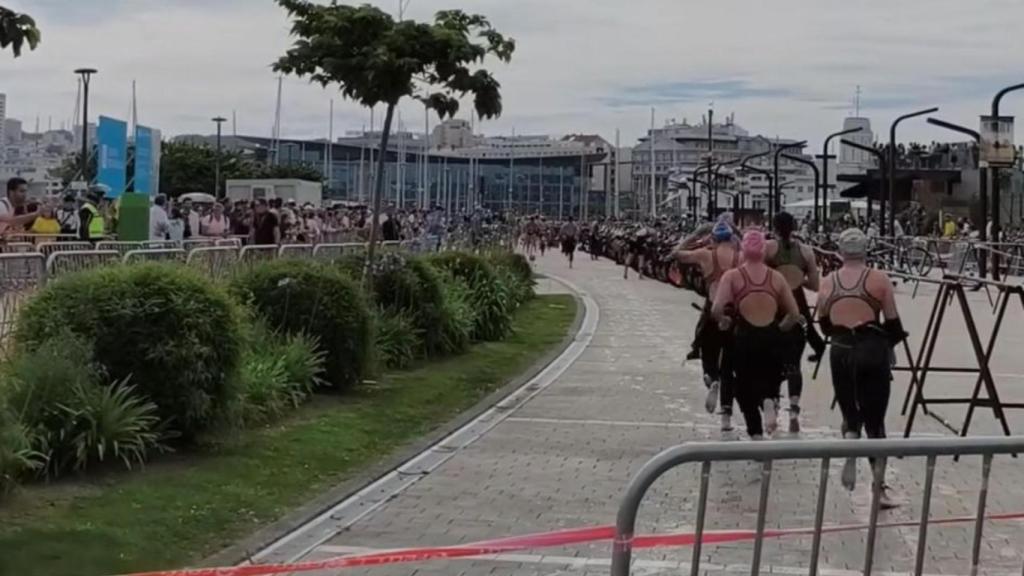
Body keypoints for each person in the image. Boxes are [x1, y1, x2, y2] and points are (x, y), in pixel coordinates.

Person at [817, 228, 905, 507]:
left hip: (841, 350)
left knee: (849, 411)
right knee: (875, 422)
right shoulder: (878, 280)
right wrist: (889, 346)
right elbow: (892, 323)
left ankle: (850, 446)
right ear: (866, 250)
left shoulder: (828, 282)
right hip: (871, 348)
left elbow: (824, 324)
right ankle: (878, 489)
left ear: (840, 252)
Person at [712, 230, 801, 439]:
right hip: (771, 335)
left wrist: (724, 321)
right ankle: (769, 401)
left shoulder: (733, 276)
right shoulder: (776, 277)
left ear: (743, 249)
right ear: (763, 252)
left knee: (744, 388)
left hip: (744, 336)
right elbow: (794, 313)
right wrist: (780, 330)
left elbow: (716, 308)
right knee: (769, 378)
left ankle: (756, 434)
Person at [673, 221, 740, 431]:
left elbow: (678, 254)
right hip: (734, 313)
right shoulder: (740, 256)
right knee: (729, 365)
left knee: (704, 347)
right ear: (730, 237)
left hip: (712, 310)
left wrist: (693, 238)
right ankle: (726, 417)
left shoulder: (705, 254)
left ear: (713, 238)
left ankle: (712, 379)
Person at [766, 212, 824, 433]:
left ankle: (773, 402)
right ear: (795, 225)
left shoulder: (768, 248)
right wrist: (797, 279)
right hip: (798, 306)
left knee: (771, 361)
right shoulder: (806, 251)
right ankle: (794, 408)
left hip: (774, 306)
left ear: (774, 226)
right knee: (794, 364)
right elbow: (815, 285)